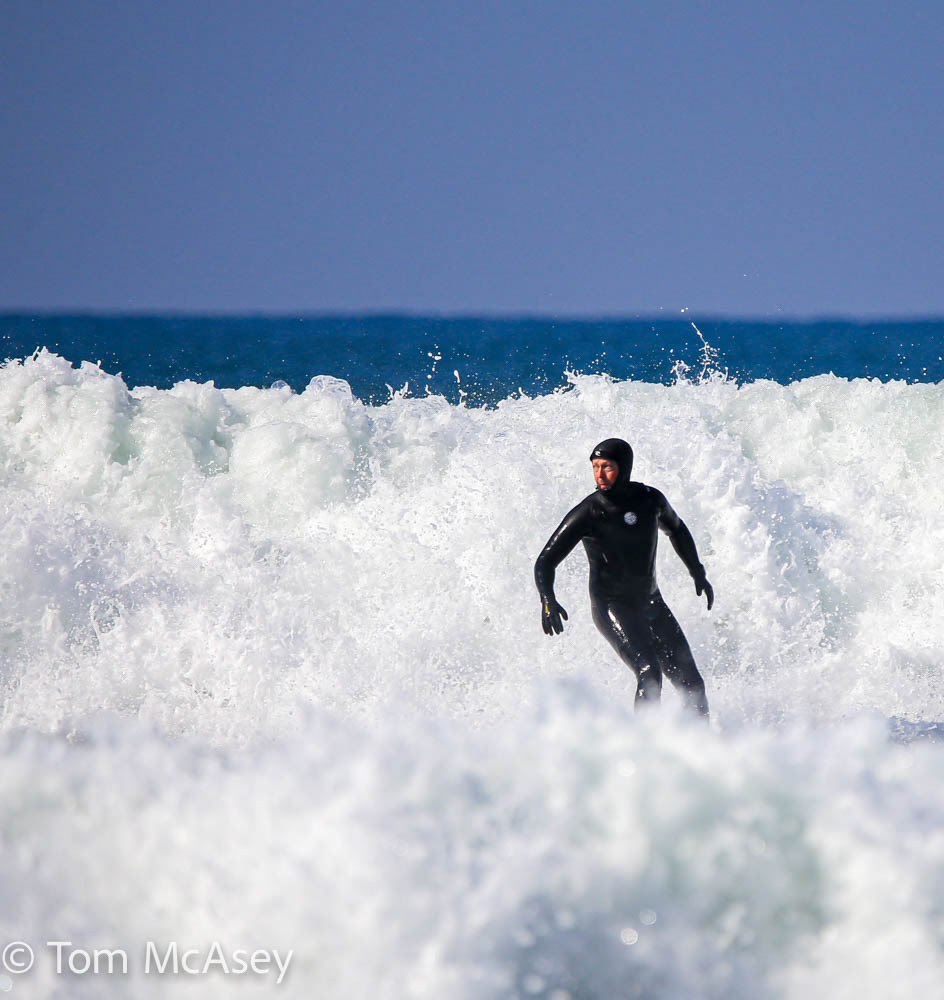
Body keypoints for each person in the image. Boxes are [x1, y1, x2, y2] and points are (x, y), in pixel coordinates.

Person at [534, 438, 713, 717]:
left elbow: (677, 529)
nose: (599, 474)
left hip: (651, 603)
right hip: (612, 606)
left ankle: (701, 739)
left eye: (607, 467)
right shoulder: (590, 512)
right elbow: (546, 561)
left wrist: (697, 572)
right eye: (595, 467)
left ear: (624, 468)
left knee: (693, 683)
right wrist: (548, 599)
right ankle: (642, 740)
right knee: (649, 673)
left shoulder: (650, 500)